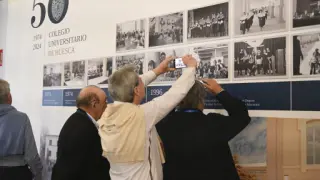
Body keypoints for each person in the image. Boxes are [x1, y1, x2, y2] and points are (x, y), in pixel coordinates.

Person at [98, 55, 197, 180]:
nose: (142, 80)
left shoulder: (107, 114)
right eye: (139, 81)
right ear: (136, 91)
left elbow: (129, 86)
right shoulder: (141, 115)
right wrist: (191, 67)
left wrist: (159, 70)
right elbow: (175, 94)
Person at [156, 79, 251, 180]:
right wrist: (219, 91)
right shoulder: (214, 124)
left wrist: (176, 95)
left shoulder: (165, 124)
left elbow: (164, 112)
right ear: (201, 99)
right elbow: (242, 116)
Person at [51, 86, 110, 180]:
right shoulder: (87, 128)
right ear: (94, 103)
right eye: (105, 102)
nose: (107, 106)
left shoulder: (74, 120)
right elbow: (93, 167)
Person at [0, 79, 42, 180]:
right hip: (16, 173)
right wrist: (38, 174)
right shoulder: (22, 118)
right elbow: (31, 156)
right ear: (9, 97)